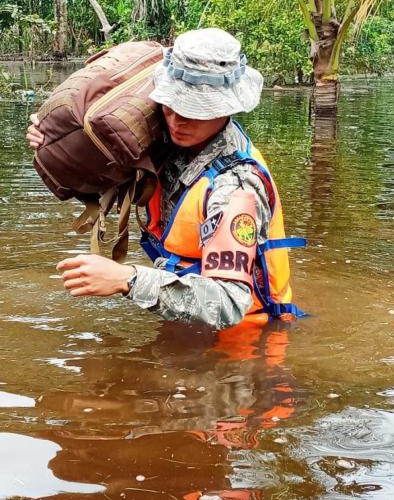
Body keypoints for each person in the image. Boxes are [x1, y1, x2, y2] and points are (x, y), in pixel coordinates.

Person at [27, 28, 305, 329]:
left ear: (226, 108)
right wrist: (56, 140)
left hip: (243, 348)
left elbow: (228, 302)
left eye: (194, 109)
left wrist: (128, 279)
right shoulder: (172, 140)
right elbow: (109, 183)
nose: (177, 118)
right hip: (188, 329)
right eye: (171, 103)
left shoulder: (235, 187)